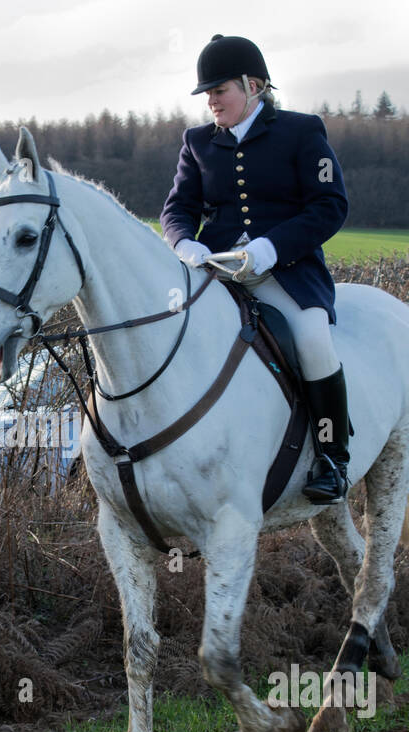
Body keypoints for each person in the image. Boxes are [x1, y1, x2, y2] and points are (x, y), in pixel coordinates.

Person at [161, 34, 352, 503]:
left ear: (254, 85)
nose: (210, 101)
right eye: (206, 93)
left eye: (218, 90)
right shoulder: (197, 142)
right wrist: (184, 244)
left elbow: (330, 205)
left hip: (284, 272)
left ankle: (332, 457)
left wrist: (273, 246)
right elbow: (177, 207)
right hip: (217, 272)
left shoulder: (303, 132)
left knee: (311, 338)